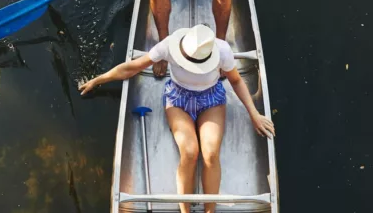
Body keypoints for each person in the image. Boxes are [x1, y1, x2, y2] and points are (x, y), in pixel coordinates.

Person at [79, 24, 274, 213]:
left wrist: (254, 114)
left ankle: (210, 211)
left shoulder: (222, 50)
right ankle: (184, 210)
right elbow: (132, 67)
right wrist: (99, 80)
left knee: (211, 154)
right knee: (189, 152)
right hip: (178, 99)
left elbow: (236, 80)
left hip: (211, 99)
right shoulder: (169, 45)